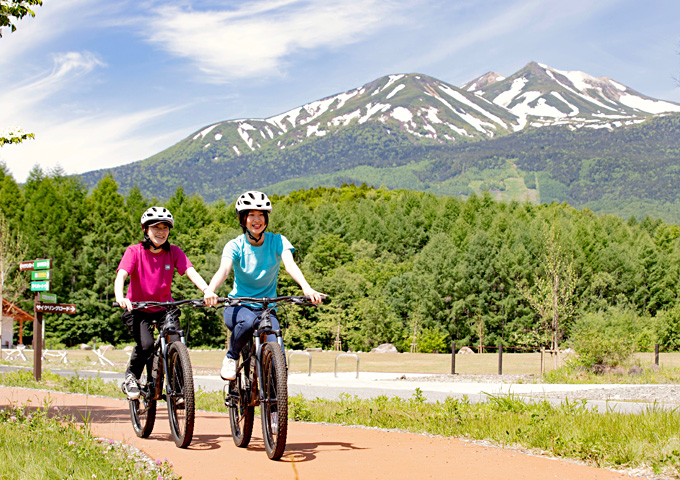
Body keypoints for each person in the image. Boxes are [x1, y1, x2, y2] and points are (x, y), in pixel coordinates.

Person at [203, 190, 324, 380]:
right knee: (248, 322)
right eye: (251, 215)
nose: (257, 219)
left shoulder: (277, 241)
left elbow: (290, 264)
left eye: (261, 215)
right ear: (243, 219)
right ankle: (231, 356)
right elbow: (224, 270)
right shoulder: (235, 245)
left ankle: (275, 405)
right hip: (238, 306)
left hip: (267, 308)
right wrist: (210, 290)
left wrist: (306, 288)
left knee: (277, 350)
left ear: (266, 218)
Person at [115, 206, 213, 399]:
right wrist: (121, 297)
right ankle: (131, 377)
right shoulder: (134, 251)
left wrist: (207, 290)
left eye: (165, 228)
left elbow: (190, 271)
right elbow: (122, 275)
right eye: (156, 228)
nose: (161, 232)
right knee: (146, 345)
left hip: (165, 309)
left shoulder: (173, 252)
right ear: (146, 230)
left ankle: (178, 391)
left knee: (175, 342)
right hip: (137, 309)